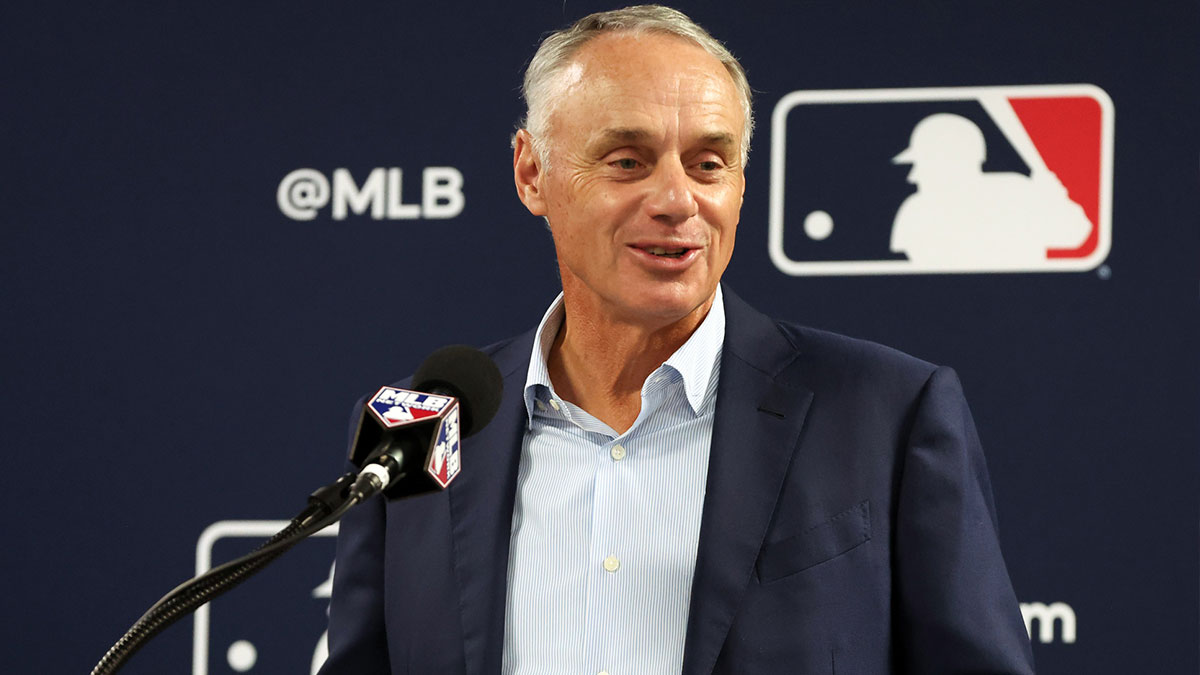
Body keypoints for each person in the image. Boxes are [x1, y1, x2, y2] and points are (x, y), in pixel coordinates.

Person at [319, 6, 1035, 674]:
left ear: (741, 185)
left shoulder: (888, 414)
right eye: (627, 160)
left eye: (708, 163)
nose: (676, 200)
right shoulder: (417, 429)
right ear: (532, 172)